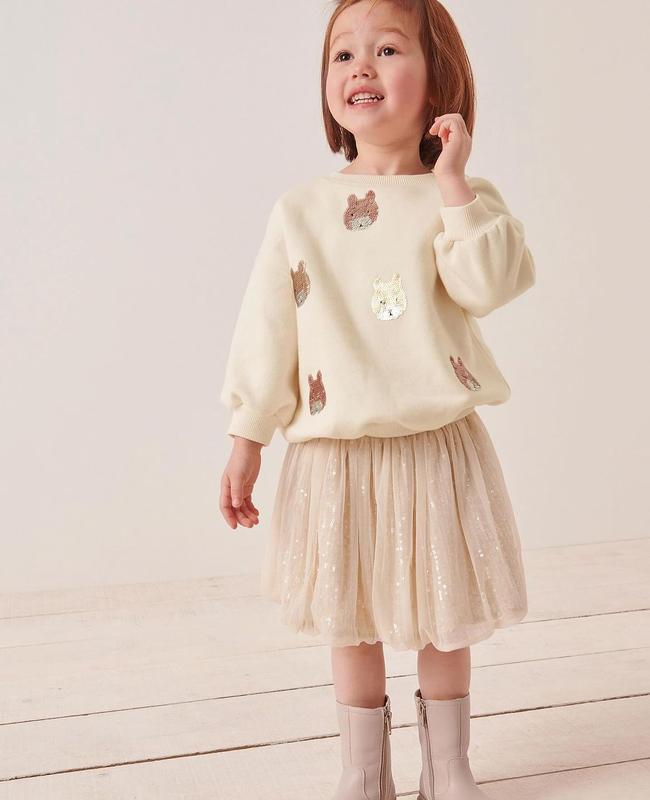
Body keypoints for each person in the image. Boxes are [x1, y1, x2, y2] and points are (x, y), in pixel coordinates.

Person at [219, 1, 536, 797]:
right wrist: (248, 434)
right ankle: (364, 771)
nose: (361, 66)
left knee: (444, 614)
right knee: (350, 619)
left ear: (438, 80)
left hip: (436, 447)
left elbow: (489, 285)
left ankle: (448, 765)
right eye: (342, 55)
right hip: (335, 454)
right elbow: (268, 330)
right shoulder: (300, 211)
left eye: (388, 49)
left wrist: (453, 182)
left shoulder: (461, 197)